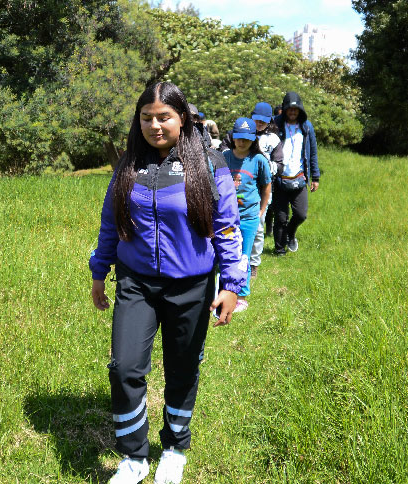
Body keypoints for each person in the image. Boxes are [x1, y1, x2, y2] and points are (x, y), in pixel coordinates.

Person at [90, 82, 247, 484]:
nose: (155, 126)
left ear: (182, 119)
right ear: (138, 119)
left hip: (191, 286)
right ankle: (134, 457)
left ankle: (175, 447)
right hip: (136, 283)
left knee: (181, 369)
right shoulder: (129, 164)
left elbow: (227, 227)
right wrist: (98, 272)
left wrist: (231, 284)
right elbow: (112, 223)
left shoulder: (210, 164)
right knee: (124, 367)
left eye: (164, 117)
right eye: (147, 118)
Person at [221, 117, 271, 311]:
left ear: (253, 139)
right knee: (225, 252)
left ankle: (241, 294)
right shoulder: (224, 156)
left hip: (249, 217)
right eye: (238, 138)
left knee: (244, 256)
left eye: (246, 139)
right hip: (226, 216)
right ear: (233, 137)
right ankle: (224, 287)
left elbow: (266, 187)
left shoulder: (258, 160)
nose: (242, 142)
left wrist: (261, 211)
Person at [272, 91, 320, 255]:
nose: (292, 112)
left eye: (295, 109)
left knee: (300, 214)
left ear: (300, 110)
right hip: (279, 178)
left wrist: (315, 177)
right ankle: (279, 250)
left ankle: (291, 234)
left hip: (299, 177)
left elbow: (312, 152)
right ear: (284, 109)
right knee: (280, 217)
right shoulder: (275, 125)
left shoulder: (307, 126)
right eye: (289, 109)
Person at [247, 102, 282, 278]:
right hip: (242, 186)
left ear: (269, 121)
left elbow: (280, 164)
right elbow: (225, 150)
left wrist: (265, 166)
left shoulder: (273, 139)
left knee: (258, 225)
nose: (259, 123)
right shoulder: (241, 132)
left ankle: (253, 263)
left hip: (263, 188)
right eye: (257, 119)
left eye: (263, 120)